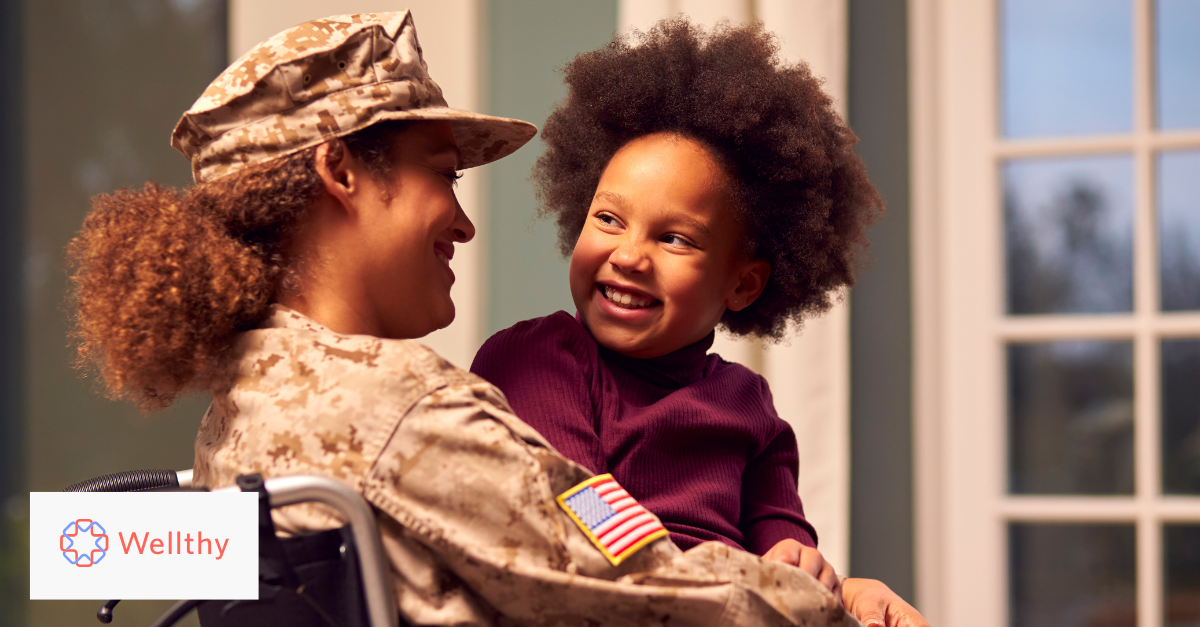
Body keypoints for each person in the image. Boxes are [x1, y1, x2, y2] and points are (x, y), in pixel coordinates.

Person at [66, 11, 888, 626]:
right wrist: (836, 599)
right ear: (340, 169)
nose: (463, 223)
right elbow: (634, 582)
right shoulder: (403, 409)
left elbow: (81, 547)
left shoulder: (242, 401)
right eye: (442, 174)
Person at [470, 17, 929, 627]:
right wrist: (735, 580)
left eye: (675, 238)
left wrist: (803, 567)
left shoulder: (746, 401)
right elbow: (576, 513)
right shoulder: (535, 357)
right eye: (608, 219)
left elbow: (780, 537)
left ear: (742, 284)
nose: (629, 255)